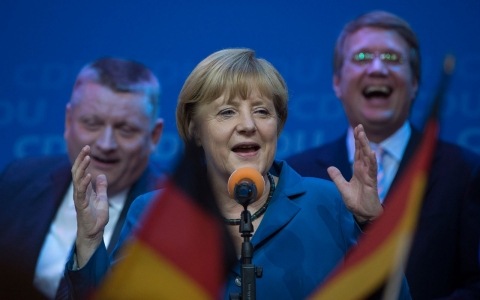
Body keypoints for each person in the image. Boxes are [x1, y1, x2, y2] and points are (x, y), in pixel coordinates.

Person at [63, 48, 411, 299]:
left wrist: (374, 226)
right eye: (227, 112)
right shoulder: (156, 212)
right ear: (196, 130)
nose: (248, 125)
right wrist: (91, 242)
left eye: (262, 111)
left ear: (278, 124)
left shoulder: (327, 204)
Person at [286, 10, 480, 299]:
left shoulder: (466, 171)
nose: (377, 68)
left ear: (414, 83)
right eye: (362, 57)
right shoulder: (297, 174)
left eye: (392, 58)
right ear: (337, 82)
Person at [0, 57, 165, 299]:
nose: (105, 144)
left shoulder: (172, 212)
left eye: (125, 129)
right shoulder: (17, 180)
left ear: (154, 136)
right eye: (92, 123)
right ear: (68, 121)